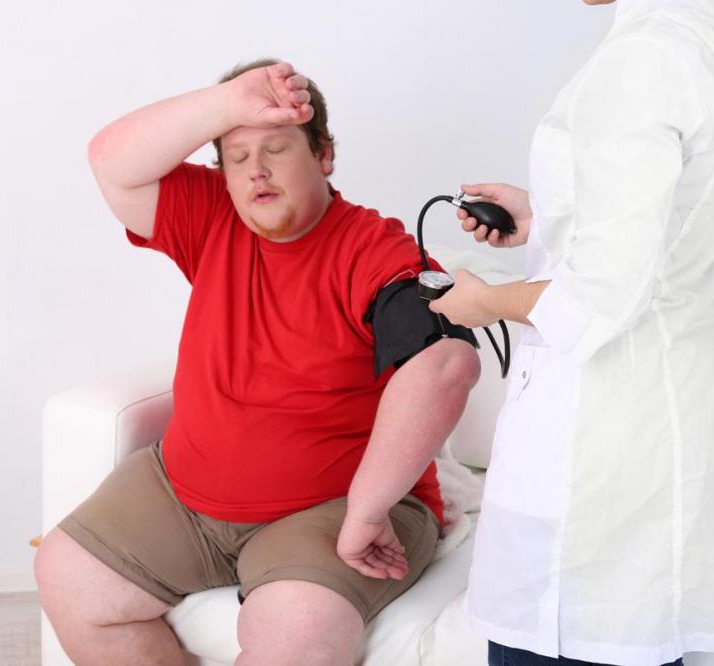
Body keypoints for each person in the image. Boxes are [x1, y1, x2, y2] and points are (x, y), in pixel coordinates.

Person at [34, 59, 481, 665]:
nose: (256, 171)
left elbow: (446, 364)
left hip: (331, 509)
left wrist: (367, 510)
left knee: (296, 633)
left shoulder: (373, 247)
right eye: (237, 157)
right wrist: (229, 103)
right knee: (68, 576)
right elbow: (110, 161)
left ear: (324, 154)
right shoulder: (211, 215)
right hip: (182, 492)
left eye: (275, 148)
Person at [426, 1, 714, 664]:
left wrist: (484, 302)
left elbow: (598, 297)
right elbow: (704, 241)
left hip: (598, 444)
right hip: (667, 420)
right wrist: (554, 217)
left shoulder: (643, 56)